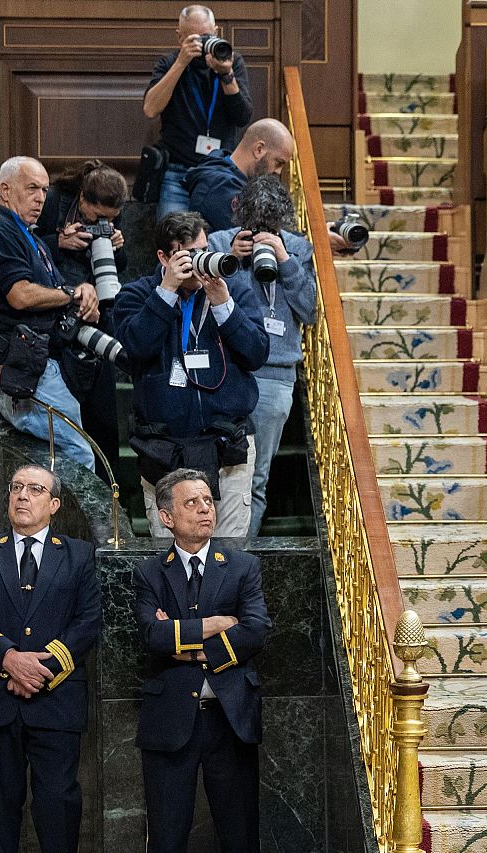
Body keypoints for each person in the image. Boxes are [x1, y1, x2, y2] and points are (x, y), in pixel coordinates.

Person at [0, 463, 101, 853]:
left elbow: (88, 621)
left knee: (59, 803)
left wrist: (41, 671)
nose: (22, 496)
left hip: (55, 702)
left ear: (53, 505)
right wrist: (9, 660)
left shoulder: (78, 554)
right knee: (0, 806)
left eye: (34, 489)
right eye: (16, 488)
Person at [134, 468, 272, 853]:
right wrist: (213, 624)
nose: (204, 508)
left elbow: (255, 630)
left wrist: (190, 647)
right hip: (171, 718)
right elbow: (151, 636)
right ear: (166, 517)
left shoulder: (242, 567)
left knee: (239, 837)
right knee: (167, 836)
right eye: (191, 502)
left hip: (229, 720)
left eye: (208, 500)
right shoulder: (149, 573)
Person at [114, 212, 269, 545]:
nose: (200, 262)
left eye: (203, 249)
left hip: (228, 444)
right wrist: (166, 291)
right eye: (189, 254)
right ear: (164, 257)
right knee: (169, 555)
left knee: (227, 554)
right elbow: (137, 346)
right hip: (165, 450)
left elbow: (256, 354)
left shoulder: (233, 291)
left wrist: (224, 306)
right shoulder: (137, 295)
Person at [0, 156, 97, 470]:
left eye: (45, 191)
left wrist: (83, 290)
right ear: (5, 190)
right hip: (18, 367)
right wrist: (69, 294)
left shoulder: (30, 236)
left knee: (56, 459)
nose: (40, 198)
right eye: (32, 188)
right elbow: (20, 295)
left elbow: (59, 287)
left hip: (36, 363)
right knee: (78, 457)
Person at [206, 174, 317, 539]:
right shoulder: (222, 242)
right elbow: (205, 306)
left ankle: (237, 563)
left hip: (276, 376)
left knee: (256, 479)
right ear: (241, 217)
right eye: (255, 228)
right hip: (227, 370)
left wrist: (285, 259)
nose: (262, 235)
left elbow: (312, 311)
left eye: (270, 229)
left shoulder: (299, 249)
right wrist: (231, 261)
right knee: (215, 473)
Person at [32, 160, 129, 476]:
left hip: (97, 315)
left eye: (110, 219)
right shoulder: (53, 202)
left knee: (102, 415)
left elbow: (115, 267)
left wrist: (116, 245)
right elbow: (25, 250)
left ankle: (108, 492)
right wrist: (58, 241)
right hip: (55, 319)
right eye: (96, 216)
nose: (101, 222)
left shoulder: (108, 210)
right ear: (83, 199)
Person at [143, 4, 255, 215]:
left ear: (216, 32)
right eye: (193, 39)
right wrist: (180, 63)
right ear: (179, 37)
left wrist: (226, 75)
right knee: (174, 242)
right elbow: (150, 109)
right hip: (177, 174)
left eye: (206, 36)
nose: (202, 44)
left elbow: (242, 117)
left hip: (219, 173)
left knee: (220, 241)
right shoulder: (169, 63)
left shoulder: (232, 61)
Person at [186, 119, 297, 233]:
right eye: (278, 162)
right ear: (259, 149)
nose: (278, 171)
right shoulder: (219, 187)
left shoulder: (224, 177)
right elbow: (254, 236)